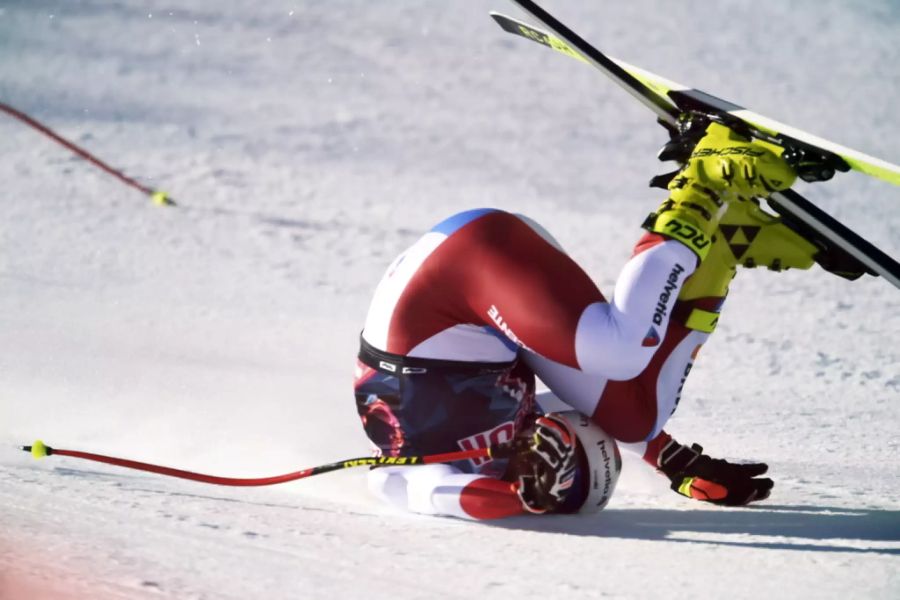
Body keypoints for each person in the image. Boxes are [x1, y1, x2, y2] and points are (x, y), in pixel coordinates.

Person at [353, 121, 816, 520]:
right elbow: (617, 421)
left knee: (617, 351)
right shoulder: (523, 427)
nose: (555, 469)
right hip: (490, 313)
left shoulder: (400, 469)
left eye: (561, 481)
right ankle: (722, 240)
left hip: (456, 277)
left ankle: (703, 182)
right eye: (566, 474)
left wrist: (521, 496)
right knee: (637, 418)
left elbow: (436, 495)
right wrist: (678, 465)